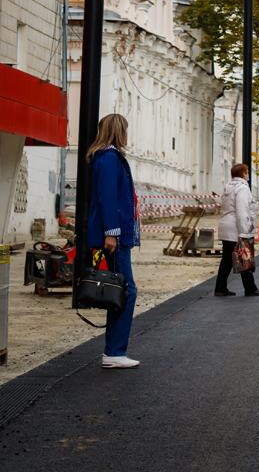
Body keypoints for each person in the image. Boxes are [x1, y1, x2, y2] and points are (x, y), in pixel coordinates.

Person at [86, 114, 140, 369]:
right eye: (126, 130)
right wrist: (112, 232)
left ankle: (114, 350)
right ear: (120, 131)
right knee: (126, 290)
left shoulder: (108, 158)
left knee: (121, 290)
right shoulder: (109, 159)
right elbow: (107, 198)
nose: (128, 135)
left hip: (117, 235)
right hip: (115, 237)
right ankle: (114, 352)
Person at [215, 163, 259, 297]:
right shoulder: (242, 189)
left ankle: (220, 287)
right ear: (243, 174)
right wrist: (244, 232)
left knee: (227, 259)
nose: (248, 174)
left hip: (226, 226)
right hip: (236, 228)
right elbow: (242, 211)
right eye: (247, 172)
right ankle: (250, 288)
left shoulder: (228, 188)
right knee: (244, 256)